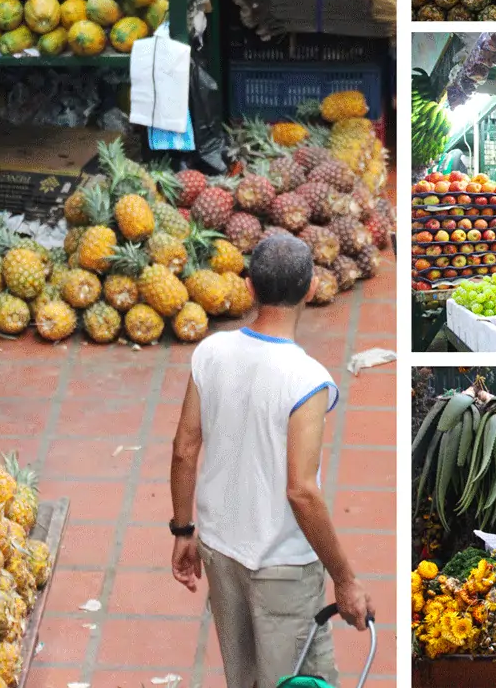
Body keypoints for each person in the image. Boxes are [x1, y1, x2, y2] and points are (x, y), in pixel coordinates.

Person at [169, 234, 373, 688]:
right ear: (311, 288)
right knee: (296, 680)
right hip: (283, 565)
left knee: (243, 678)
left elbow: (184, 448)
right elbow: (301, 490)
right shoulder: (307, 380)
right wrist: (345, 578)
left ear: (249, 287)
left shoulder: (211, 353)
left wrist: (183, 531)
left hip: (220, 549)